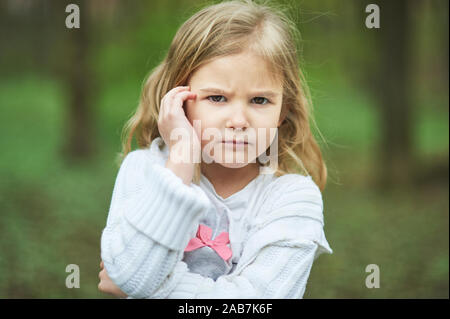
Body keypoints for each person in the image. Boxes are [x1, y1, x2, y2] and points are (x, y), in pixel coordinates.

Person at [98, 0, 333, 299]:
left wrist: (152, 288)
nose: (238, 121)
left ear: (283, 110)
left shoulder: (294, 199)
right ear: (180, 98)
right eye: (217, 98)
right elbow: (130, 271)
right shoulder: (145, 170)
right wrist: (181, 161)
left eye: (260, 100)